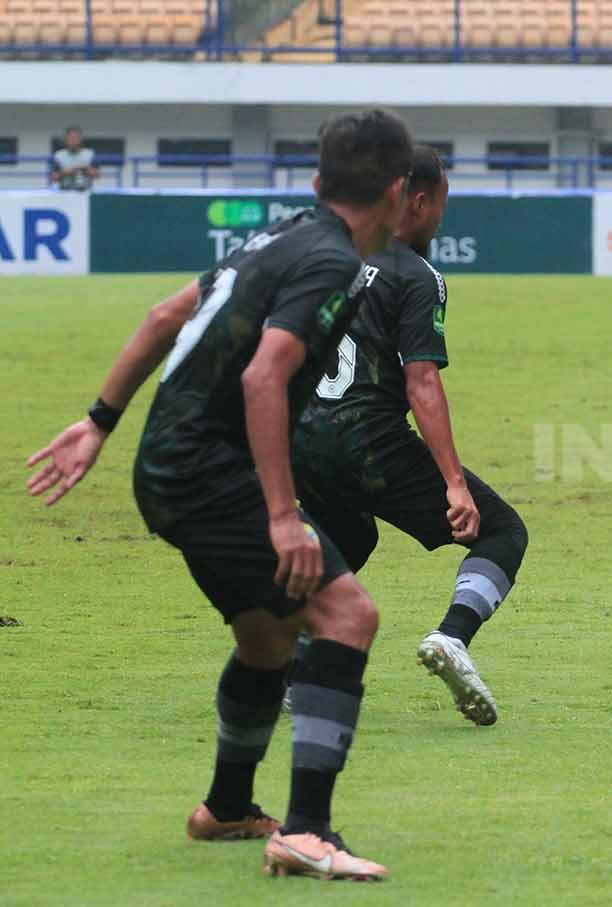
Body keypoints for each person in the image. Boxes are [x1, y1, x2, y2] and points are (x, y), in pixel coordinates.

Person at [25, 109, 413, 881]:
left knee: (269, 637)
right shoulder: (331, 262)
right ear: (401, 192)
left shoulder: (276, 236)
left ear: (317, 182)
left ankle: (228, 808)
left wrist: (100, 420)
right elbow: (263, 374)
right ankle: (308, 831)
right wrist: (282, 517)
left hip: (167, 468)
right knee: (348, 615)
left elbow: (165, 314)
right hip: (209, 474)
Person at [291, 144, 528, 726]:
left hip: (300, 437)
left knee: (349, 536)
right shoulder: (418, 276)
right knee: (501, 531)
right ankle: (453, 638)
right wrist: (454, 484)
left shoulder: (320, 253)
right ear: (418, 202)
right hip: (367, 439)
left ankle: (292, 664)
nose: (442, 217)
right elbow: (422, 382)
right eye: (442, 204)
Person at [50, 126, 100, 192]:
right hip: (64, 192)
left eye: (75, 137)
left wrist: (85, 169)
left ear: (80, 139)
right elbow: (53, 177)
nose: (73, 140)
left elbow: (97, 175)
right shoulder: (59, 155)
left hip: (85, 192)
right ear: (65, 139)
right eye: (70, 138)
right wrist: (65, 172)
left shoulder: (89, 154)